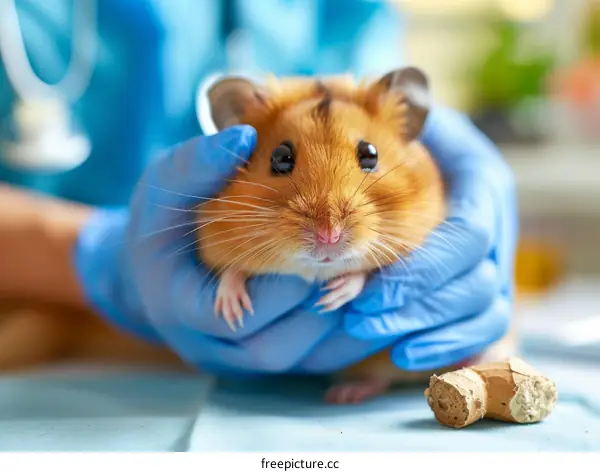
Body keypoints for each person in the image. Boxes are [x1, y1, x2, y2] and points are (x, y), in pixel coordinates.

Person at [0, 0, 517, 376]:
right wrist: (98, 258)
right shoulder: (232, 211)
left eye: (367, 162)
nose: (329, 223)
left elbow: (353, 68)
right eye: (284, 161)